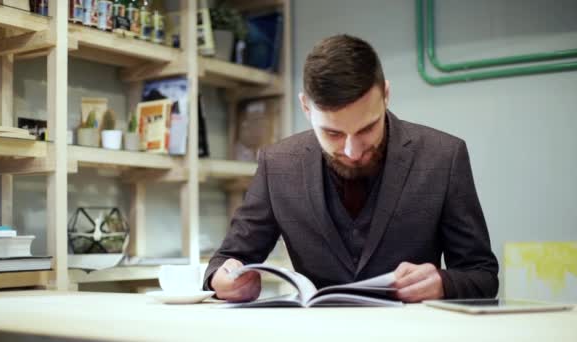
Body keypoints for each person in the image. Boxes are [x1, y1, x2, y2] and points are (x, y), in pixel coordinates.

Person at [203, 34, 499, 303]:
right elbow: (229, 259)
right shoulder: (277, 163)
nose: (352, 151)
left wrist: (443, 282)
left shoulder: (443, 157)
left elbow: (482, 275)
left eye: (367, 128)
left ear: (386, 95)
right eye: (332, 133)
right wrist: (224, 280)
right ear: (306, 108)